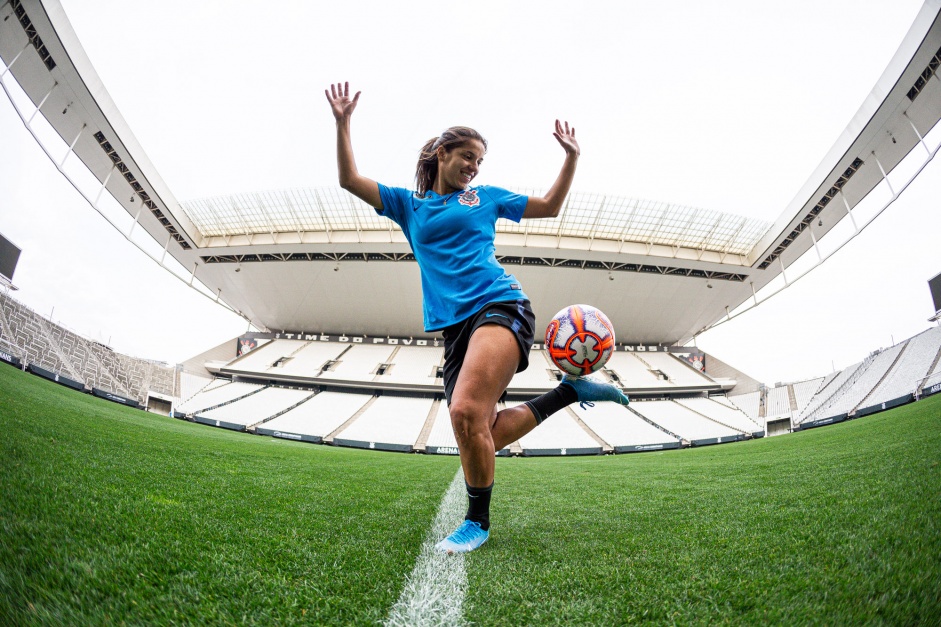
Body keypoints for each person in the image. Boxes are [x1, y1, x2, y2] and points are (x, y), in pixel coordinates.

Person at [326, 82, 630, 554]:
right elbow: (350, 179)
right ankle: (569, 391)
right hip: (454, 329)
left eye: (479, 161)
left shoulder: (485, 196)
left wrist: (571, 157)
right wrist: (343, 123)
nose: (473, 167)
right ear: (442, 153)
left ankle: (477, 522)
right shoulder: (410, 206)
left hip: (499, 304)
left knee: (465, 411)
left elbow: (548, 207)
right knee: (477, 429)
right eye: (467, 156)